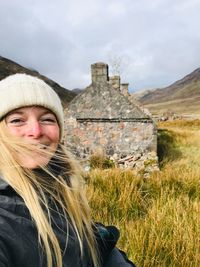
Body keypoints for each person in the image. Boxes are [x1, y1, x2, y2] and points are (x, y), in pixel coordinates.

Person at [0, 73, 135, 267]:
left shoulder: (61, 184)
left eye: (47, 119)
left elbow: (86, 242)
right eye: (17, 120)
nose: (36, 131)